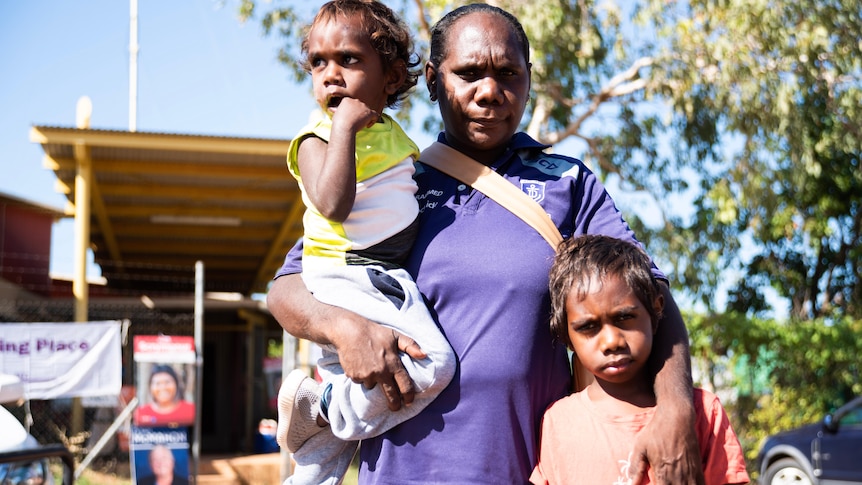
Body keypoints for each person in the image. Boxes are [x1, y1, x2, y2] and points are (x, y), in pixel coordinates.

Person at [267, 3, 704, 483]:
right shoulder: (389, 182)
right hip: (399, 471)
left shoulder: (567, 184)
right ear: (433, 80)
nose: (490, 92)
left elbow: (651, 295)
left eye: (508, 74)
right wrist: (346, 330)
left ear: (529, 79)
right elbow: (287, 290)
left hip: (527, 470)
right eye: (469, 73)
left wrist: (677, 408)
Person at [275, 1, 456, 484]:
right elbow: (332, 204)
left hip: (379, 277)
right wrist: (342, 130)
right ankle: (324, 405)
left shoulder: (395, 137)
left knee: (336, 448)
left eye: (348, 60)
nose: (330, 75)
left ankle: (309, 466)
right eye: (318, 62)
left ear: (392, 77)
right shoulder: (316, 138)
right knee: (433, 364)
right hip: (350, 272)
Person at [531, 235, 750, 484]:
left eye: (624, 318)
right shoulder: (559, 422)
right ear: (566, 336)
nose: (611, 341)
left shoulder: (705, 412)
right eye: (588, 327)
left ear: (656, 309)